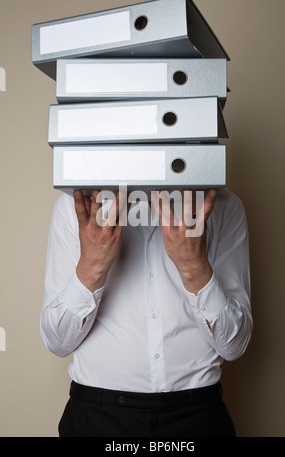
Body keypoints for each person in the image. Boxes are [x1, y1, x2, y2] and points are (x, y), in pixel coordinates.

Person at [41, 187, 252, 437]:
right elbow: (57, 342)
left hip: (197, 417)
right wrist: (91, 267)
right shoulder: (75, 208)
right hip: (96, 419)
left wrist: (194, 266)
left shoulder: (222, 206)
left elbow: (233, 345)